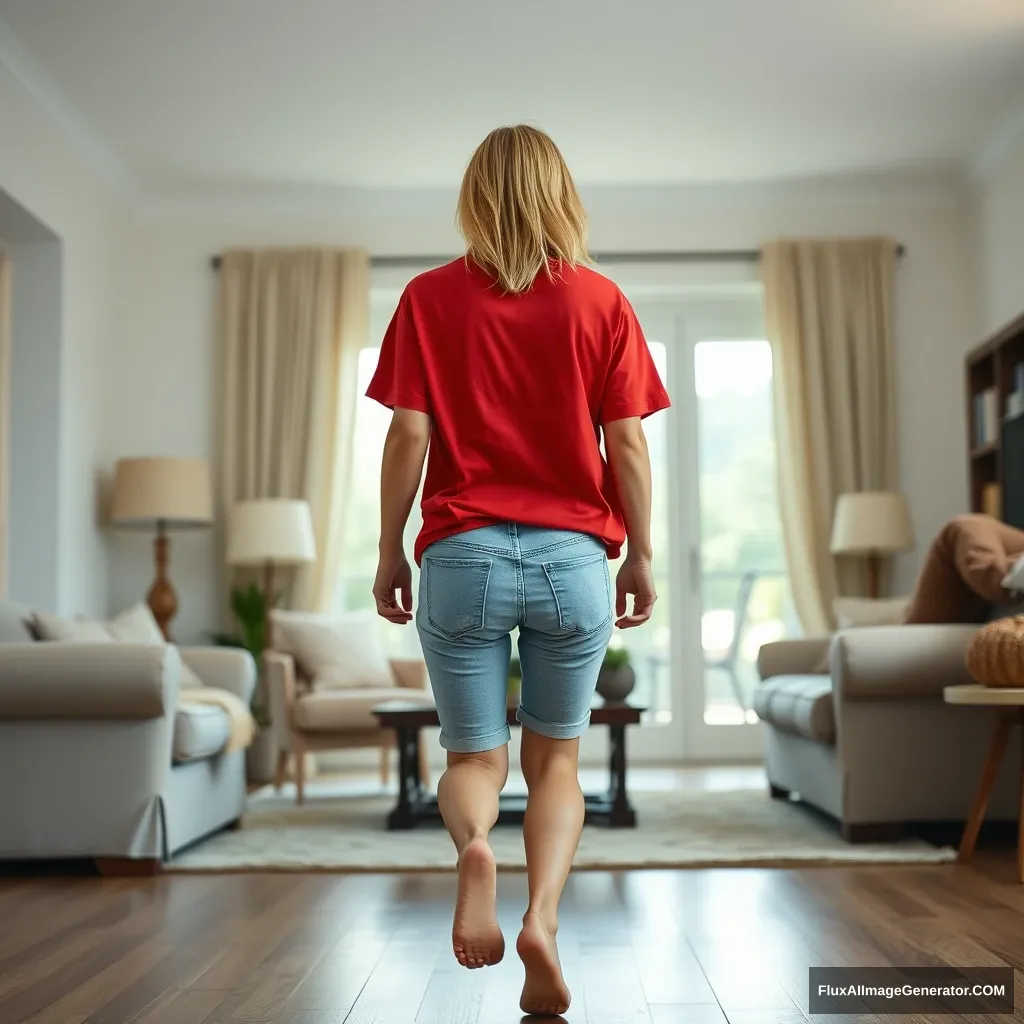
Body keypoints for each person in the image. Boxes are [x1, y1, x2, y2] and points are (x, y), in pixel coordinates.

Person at [367, 124, 669, 1017]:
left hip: (461, 554)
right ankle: (540, 917)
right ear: (559, 194)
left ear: (473, 195)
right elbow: (627, 445)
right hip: (572, 559)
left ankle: (473, 848)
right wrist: (641, 554)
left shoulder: (427, 297)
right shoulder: (601, 301)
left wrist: (390, 547)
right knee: (559, 762)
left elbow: (408, 436)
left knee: (473, 756)